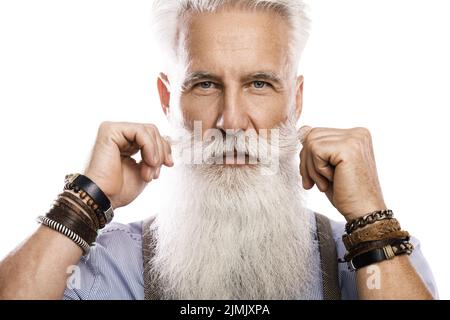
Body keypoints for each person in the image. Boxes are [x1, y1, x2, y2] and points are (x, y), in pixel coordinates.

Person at [0, 0, 437, 300]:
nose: (230, 121)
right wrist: (84, 202)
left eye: (259, 84)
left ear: (296, 101)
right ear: (167, 99)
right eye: (205, 84)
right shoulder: (106, 265)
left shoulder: (377, 256)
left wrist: (369, 222)